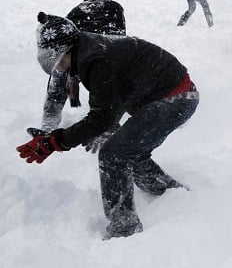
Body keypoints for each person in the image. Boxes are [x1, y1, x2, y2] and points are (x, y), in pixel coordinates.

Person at [17, 12, 199, 239]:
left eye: (59, 58)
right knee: (128, 151)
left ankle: (125, 228)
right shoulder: (88, 49)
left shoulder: (94, 59)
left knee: (113, 155)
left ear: (68, 47)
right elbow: (112, 101)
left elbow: (101, 117)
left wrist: (56, 141)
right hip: (170, 97)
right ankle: (169, 193)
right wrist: (99, 129)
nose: (59, 67)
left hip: (176, 98)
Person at [38, 0, 129, 134]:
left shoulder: (77, 9)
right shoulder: (115, 7)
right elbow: (120, 36)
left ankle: (48, 125)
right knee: (107, 89)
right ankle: (107, 124)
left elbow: (65, 35)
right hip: (101, 55)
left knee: (59, 85)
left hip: (72, 55)